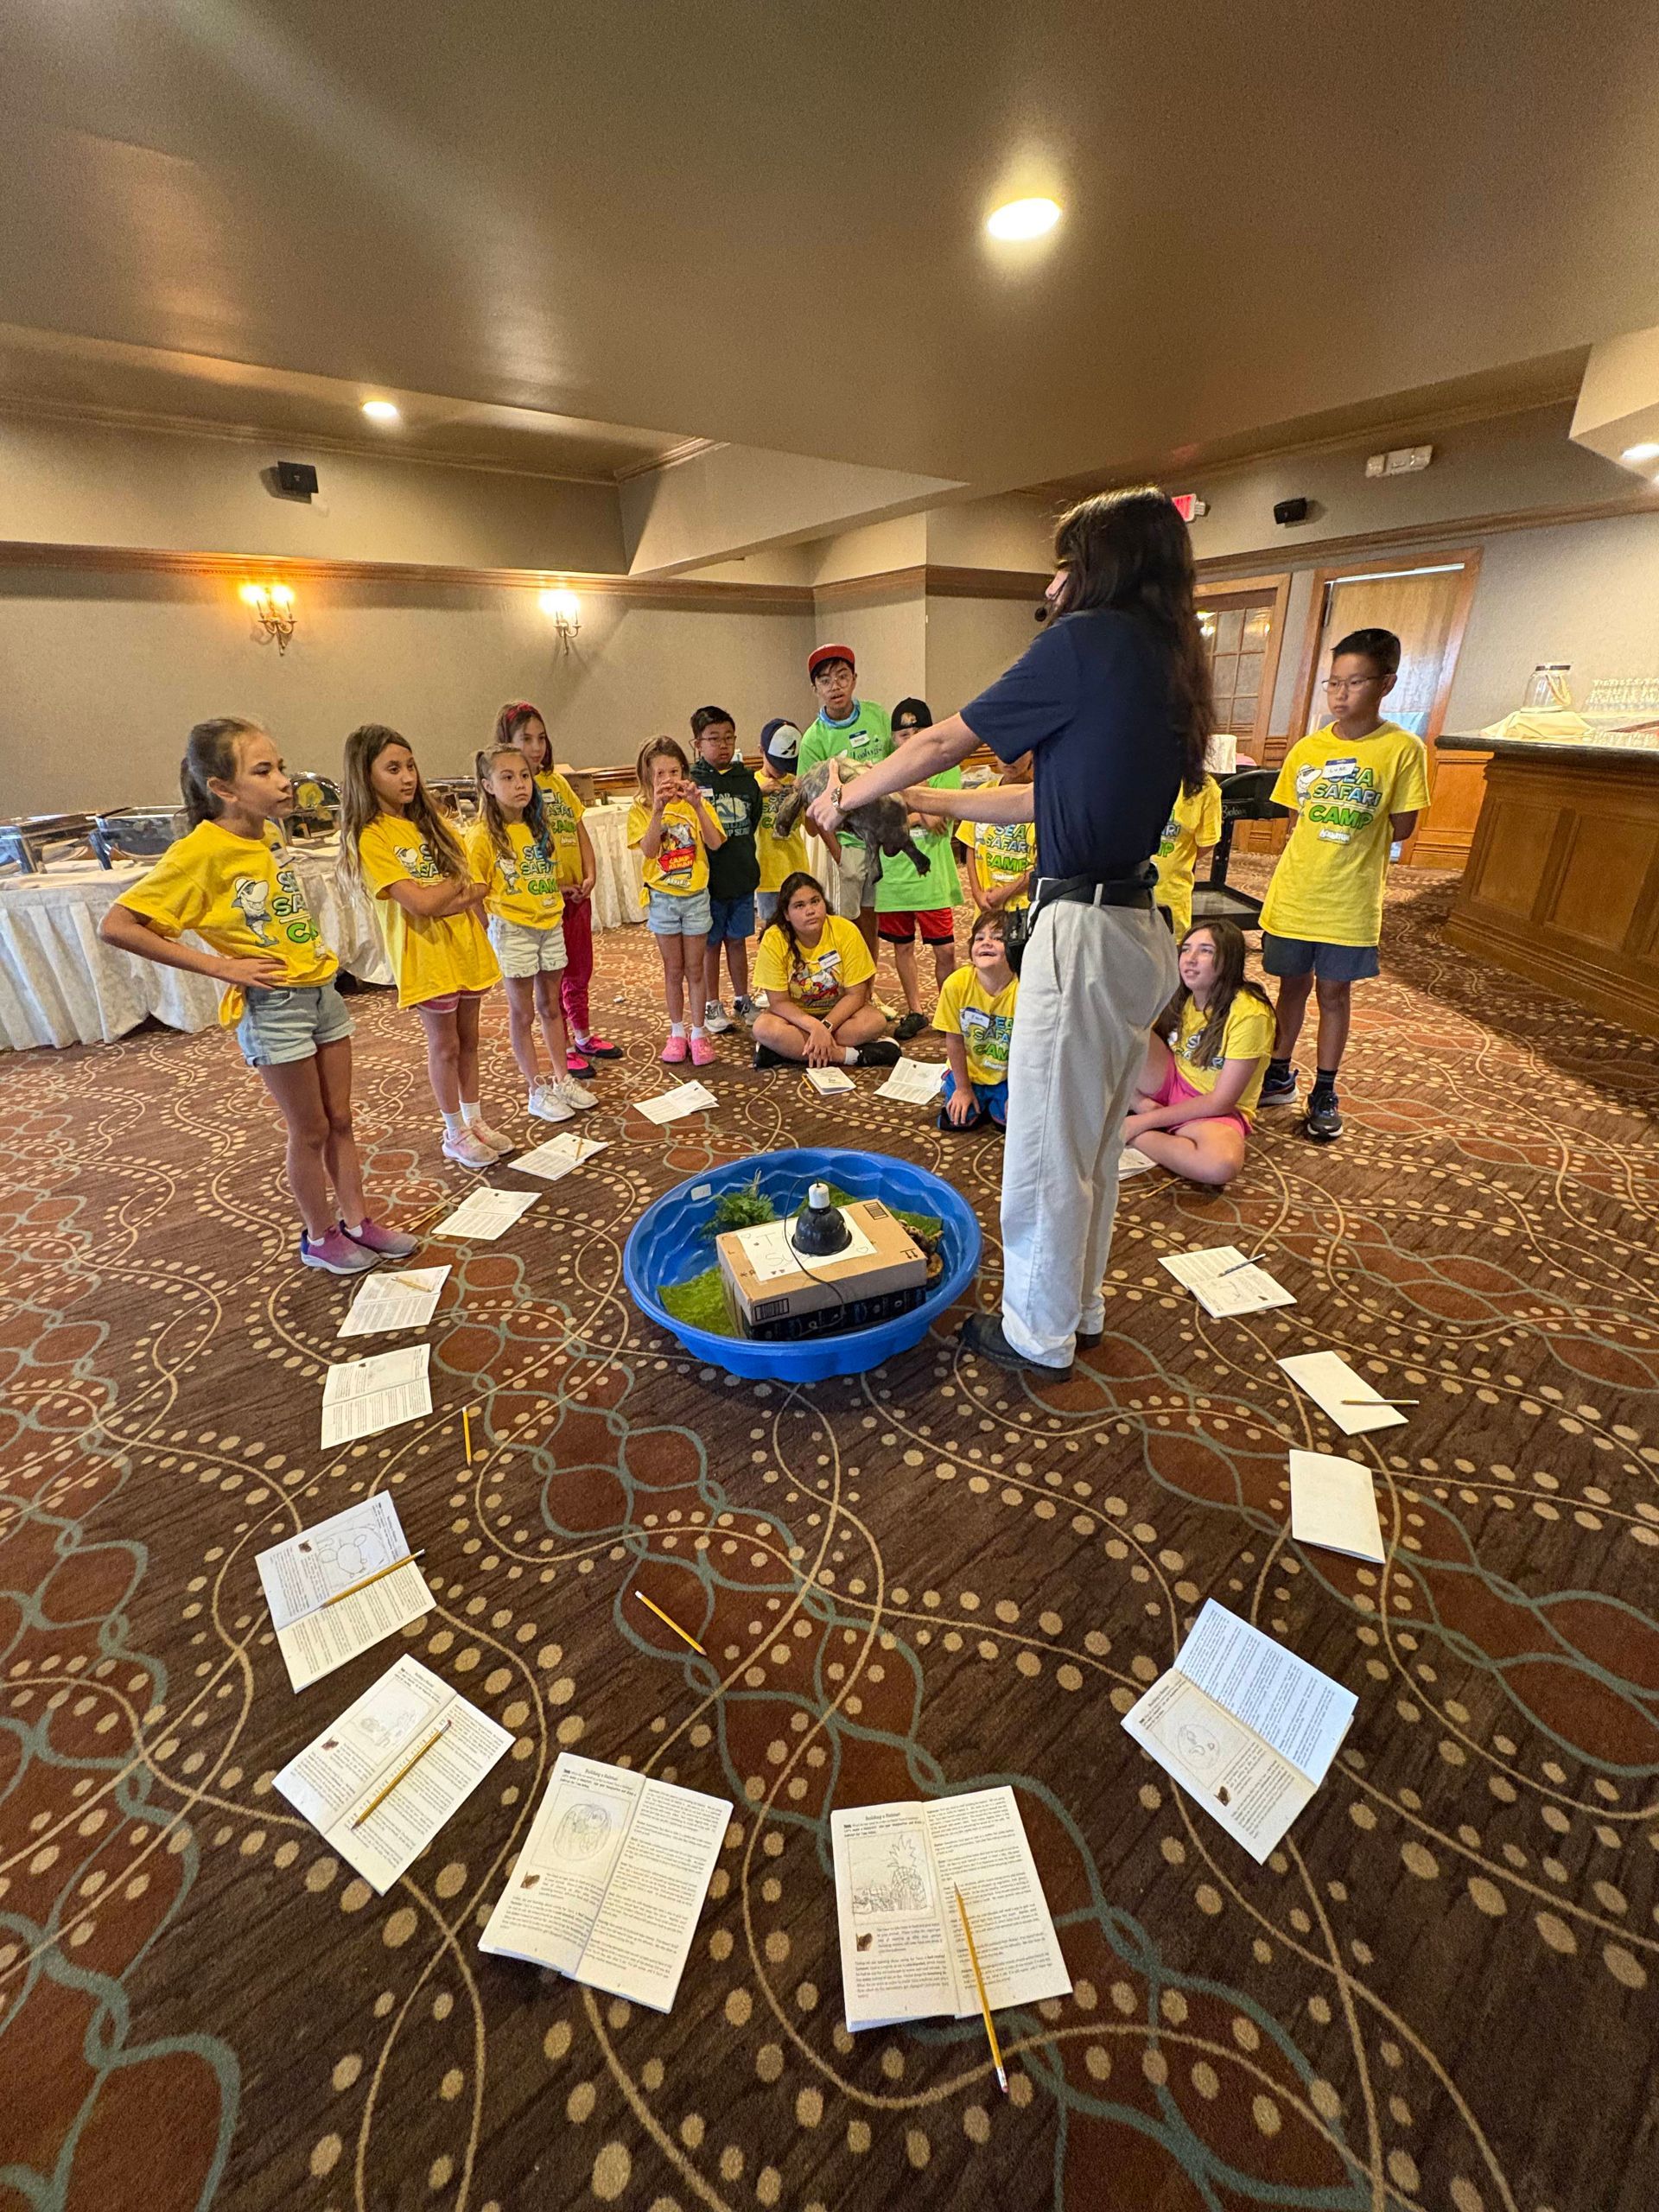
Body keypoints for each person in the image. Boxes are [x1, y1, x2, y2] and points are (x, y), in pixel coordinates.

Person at [809, 487, 1211, 1377]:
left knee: (1042, 1145)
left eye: (1068, 560)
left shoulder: (1084, 640)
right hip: (1138, 928)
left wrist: (853, 791)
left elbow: (947, 735)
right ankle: (1080, 1305)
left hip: (1081, 932)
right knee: (1095, 1142)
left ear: (1102, 566)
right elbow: (1045, 798)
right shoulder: (1165, 655)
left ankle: (1035, 1330)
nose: (1054, 580)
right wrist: (924, 800)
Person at [99, 717, 419, 1275]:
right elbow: (119, 924)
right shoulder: (201, 851)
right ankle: (319, 1236)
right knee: (310, 1127)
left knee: (340, 1118)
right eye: (264, 771)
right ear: (222, 788)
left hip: (319, 992)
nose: (284, 782)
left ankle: (358, 1221)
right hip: (274, 1008)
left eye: (282, 767)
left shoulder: (267, 834)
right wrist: (221, 966)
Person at [1256, 627, 1429, 1142]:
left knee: (1334, 993)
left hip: (1350, 900)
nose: (1340, 694)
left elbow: (1403, 827)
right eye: (1333, 683)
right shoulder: (1308, 748)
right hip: (1296, 892)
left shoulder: (1403, 749)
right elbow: (1295, 816)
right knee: (1290, 986)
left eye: (1354, 683)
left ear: (1386, 684)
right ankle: (1279, 1071)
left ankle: (1325, 1088)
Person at [340, 722, 507, 1170]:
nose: (407, 777)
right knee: (445, 1046)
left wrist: (456, 894)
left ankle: (474, 1119)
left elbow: (479, 887)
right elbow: (422, 903)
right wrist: (455, 889)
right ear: (366, 775)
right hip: (425, 954)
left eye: (410, 766)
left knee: (471, 1041)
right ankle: (453, 1130)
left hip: (465, 947)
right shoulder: (373, 836)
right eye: (393, 768)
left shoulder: (431, 825)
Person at [466, 742, 598, 1125]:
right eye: (507, 777)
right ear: (488, 785)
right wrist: (490, 927)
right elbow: (475, 889)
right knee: (522, 1011)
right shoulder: (481, 837)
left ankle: (561, 1077)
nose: (520, 785)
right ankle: (535, 1088)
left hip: (548, 923)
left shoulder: (536, 826)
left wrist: (558, 891)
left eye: (524, 776)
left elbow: (536, 876)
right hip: (514, 930)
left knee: (551, 1005)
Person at [493, 702, 619, 1071]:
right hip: (546, 902)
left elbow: (579, 831)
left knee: (580, 969)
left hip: (577, 894)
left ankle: (582, 1033)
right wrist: (555, 885)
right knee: (552, 977)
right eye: (526, 739)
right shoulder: (516, 796)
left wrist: (590, 874)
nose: (536, 748)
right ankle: (562, 1047)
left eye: (541, 738)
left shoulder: (558, 783)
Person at [1124, 921, 1273, 1185]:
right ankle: (1139, 1110)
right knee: (1111, 1027)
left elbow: (1221, 1101)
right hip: (1171, 1081)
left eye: (1205, 951)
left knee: (1219, 1166)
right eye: (1186, 950)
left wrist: (1142, 1123)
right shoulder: (1185, 993)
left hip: (1214, 1110)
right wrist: (1140, 1103)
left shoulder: (1251, 1013)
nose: (1190, 960)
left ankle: (1134, 1131)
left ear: (1229, 961)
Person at [626, 735, 726, 1065]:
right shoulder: (641, 809)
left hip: (696, 897)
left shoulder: (696, 803)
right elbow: (650, 850)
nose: (668, 780)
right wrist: (657, 812)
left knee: (696, 969)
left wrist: (697, 806)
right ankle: (676, 1031)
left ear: (684, 771)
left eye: (674, 771)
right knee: (673, 969)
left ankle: (698, 1033)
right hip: (663, 899)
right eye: (660, 774)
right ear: (648, 779)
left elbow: (714, 844)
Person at [795, 643, 893, 952]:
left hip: (886, 838)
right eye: (825, 681)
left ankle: (870, 988)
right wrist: (838, 852)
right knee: (849, 924)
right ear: (815, 689)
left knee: (876, 920)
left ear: (854, 678)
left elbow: (897, 768)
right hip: (849, 846)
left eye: (841, 676)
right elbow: (812, 808)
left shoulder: (877, 715)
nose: (834, 686)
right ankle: (854, 990)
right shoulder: (813, 740)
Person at [749, 871, 901, 1069]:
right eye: (799, 906)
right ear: (786, 914)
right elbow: (778, 1002)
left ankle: (788, 1053)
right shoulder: (775, 938)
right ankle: (848, 1056)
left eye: (815, 901)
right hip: (796, 1019)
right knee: (763, 1028)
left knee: (874, 1021)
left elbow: (856, 995)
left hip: (840, 1017)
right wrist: (814, 1027)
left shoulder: (845, 930)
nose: (810, 910)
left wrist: (825, 1027)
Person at [874, 697, 961, 1041]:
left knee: (946, 950)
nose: (910, 739)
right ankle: (915, 1009)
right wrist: (920, 809)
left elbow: (941, 817)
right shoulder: (885, 769)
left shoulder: (946, 766)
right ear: (894, 738)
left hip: (933, 877)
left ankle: (946, 1010)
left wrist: (908, 807)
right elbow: (883, 825)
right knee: (903, 947)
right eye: (903, 733)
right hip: (894, 876)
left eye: (918, 731)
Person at [689, 705, 762, 1034]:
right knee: (710, 944)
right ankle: (712, 1003)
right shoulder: (691, 783)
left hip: (742, 874)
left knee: (737, 941)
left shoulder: (746, 780)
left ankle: (742, 998)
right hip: (707, 881)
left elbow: (753, 819)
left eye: (729, 738)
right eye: (714, 739)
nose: (723, 745)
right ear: (697, 744)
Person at [933, 911, 1018, 1131]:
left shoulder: (1024, 989)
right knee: (956, 1120)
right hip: (969, 1072)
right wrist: (962, 1088)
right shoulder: (956, 984)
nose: (986, 943)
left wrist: (1020, 1093)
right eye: (979, 938)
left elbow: (1032, 1049)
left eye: (998, 938)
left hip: (1009, 1074)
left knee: (1015, 1123)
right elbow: (954, 1040)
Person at [959, 752, 1037, 918]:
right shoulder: (983, 793)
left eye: (1019, 753)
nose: (1010, 759)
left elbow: (1043, 865)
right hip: (987, 903)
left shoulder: (1040, 797)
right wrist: (977, 893)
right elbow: (971, 846)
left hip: (1023, 906)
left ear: (1032, 755)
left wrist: (1005, 892)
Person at [754, 718, 809, 931]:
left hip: (797, 867)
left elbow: (812, 829)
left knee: (803, 929)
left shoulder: (796, 781)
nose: (781, 770)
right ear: (761, 750)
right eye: (776, 763)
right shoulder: (752, 784)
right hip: (767, 873)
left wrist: (805, 795)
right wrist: (756, 794)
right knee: (773, 932)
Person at [1153, 770, 1223, 936]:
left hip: (1171, 895)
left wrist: (1180, 860)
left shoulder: (1205, 789)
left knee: (1169, 953)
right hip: (1127, 894)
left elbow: (1206, 843)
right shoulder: (1136, 775)